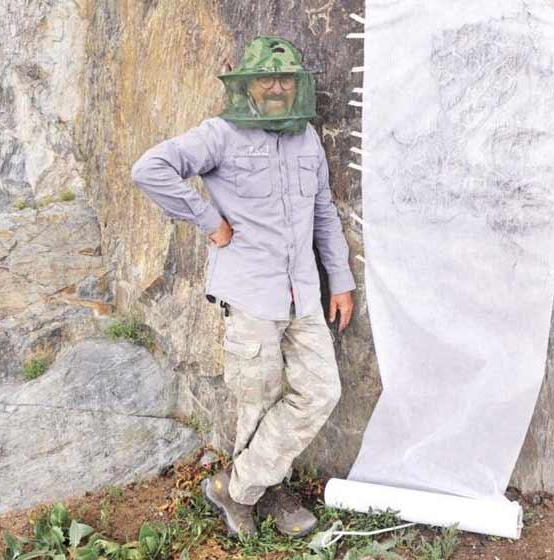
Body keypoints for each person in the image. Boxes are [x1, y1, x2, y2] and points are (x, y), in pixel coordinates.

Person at [129, 35, 355, 538]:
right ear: (247, 84)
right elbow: (150, 169)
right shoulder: (221, 134)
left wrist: (340, 281)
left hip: (304, 295)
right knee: (258, 399)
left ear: (297, 86)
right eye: (266, 78)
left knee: (321, 391)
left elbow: (323, 214)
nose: (276, 87)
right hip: (251, 294)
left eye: (285, 79)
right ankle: (263, 493)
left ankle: (236, 487)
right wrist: (209, 219)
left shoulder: (306, 138)